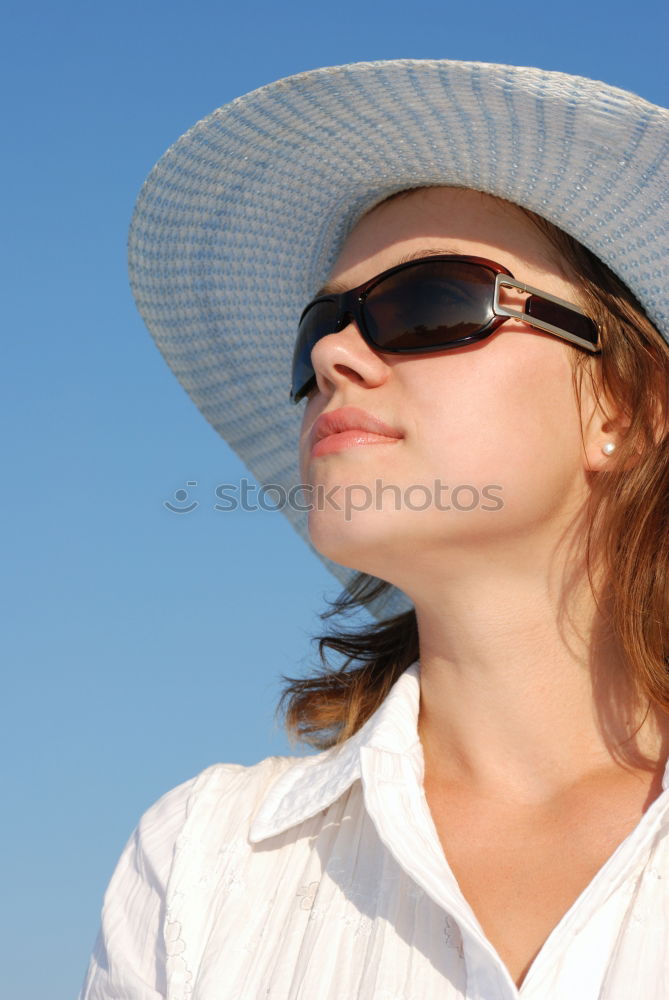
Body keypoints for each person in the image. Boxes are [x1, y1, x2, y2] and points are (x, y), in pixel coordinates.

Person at [80, 60, 669, 999]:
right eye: (321, 323)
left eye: (431, 302)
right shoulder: (201, 859)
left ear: (627, 408)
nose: (330, 355)